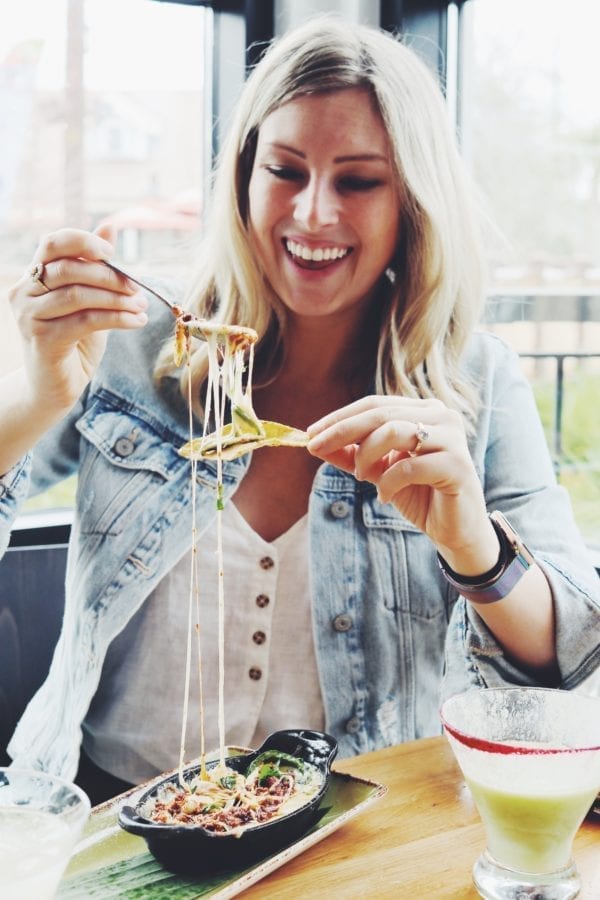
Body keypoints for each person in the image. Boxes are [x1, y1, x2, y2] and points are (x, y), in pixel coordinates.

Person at [2, 15, 599, 805]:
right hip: (107, 819)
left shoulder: (476, 383)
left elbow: (575, 651)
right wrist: (34, 397)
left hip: (355, 831)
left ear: (412, 200)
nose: (314, 213)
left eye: (358, 181)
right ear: (245, 175)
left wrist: (472, 543)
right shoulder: (135, 346)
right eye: (285, 170)